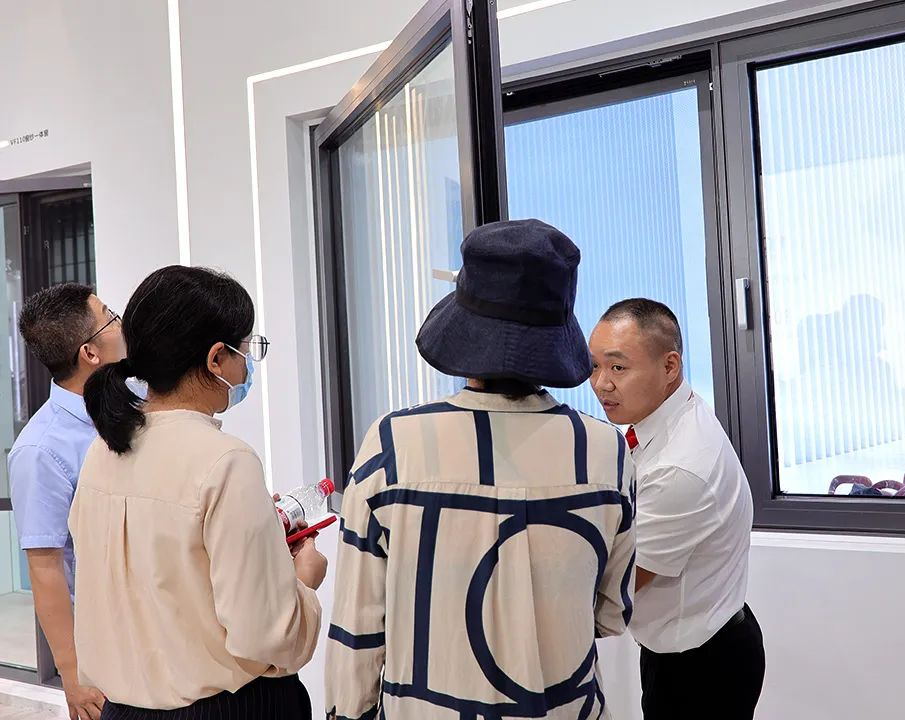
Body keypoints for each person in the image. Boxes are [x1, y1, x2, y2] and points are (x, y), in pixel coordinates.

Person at [325, 219, 636, 720]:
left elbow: (358, 628)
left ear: (465, 334)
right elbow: (610, 614)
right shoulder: (605, 451)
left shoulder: (394, 444)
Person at [69, 265, 326, 719]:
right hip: (229, 708)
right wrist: (302, 581)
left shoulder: (101, 451)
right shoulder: (226, 461)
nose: (247, 365)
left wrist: (261, 545)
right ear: (216, 359)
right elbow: (264, 635)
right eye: (246, 349)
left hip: (123, 709)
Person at [589, 298, 764, 719]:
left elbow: (617, 588)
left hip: (700, 669)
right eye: (594, 366)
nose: (600, 384)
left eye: (618, 367)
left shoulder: (680, 467)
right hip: (684, 645)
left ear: (670, 366)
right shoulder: (671, 415)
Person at [9, 283, 125, 720]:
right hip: (104, 646)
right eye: (110, 317)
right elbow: (45, 567)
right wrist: (73, 675)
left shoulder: (129, 403)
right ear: (89, 353)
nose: (121, 324)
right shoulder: (40, 449)